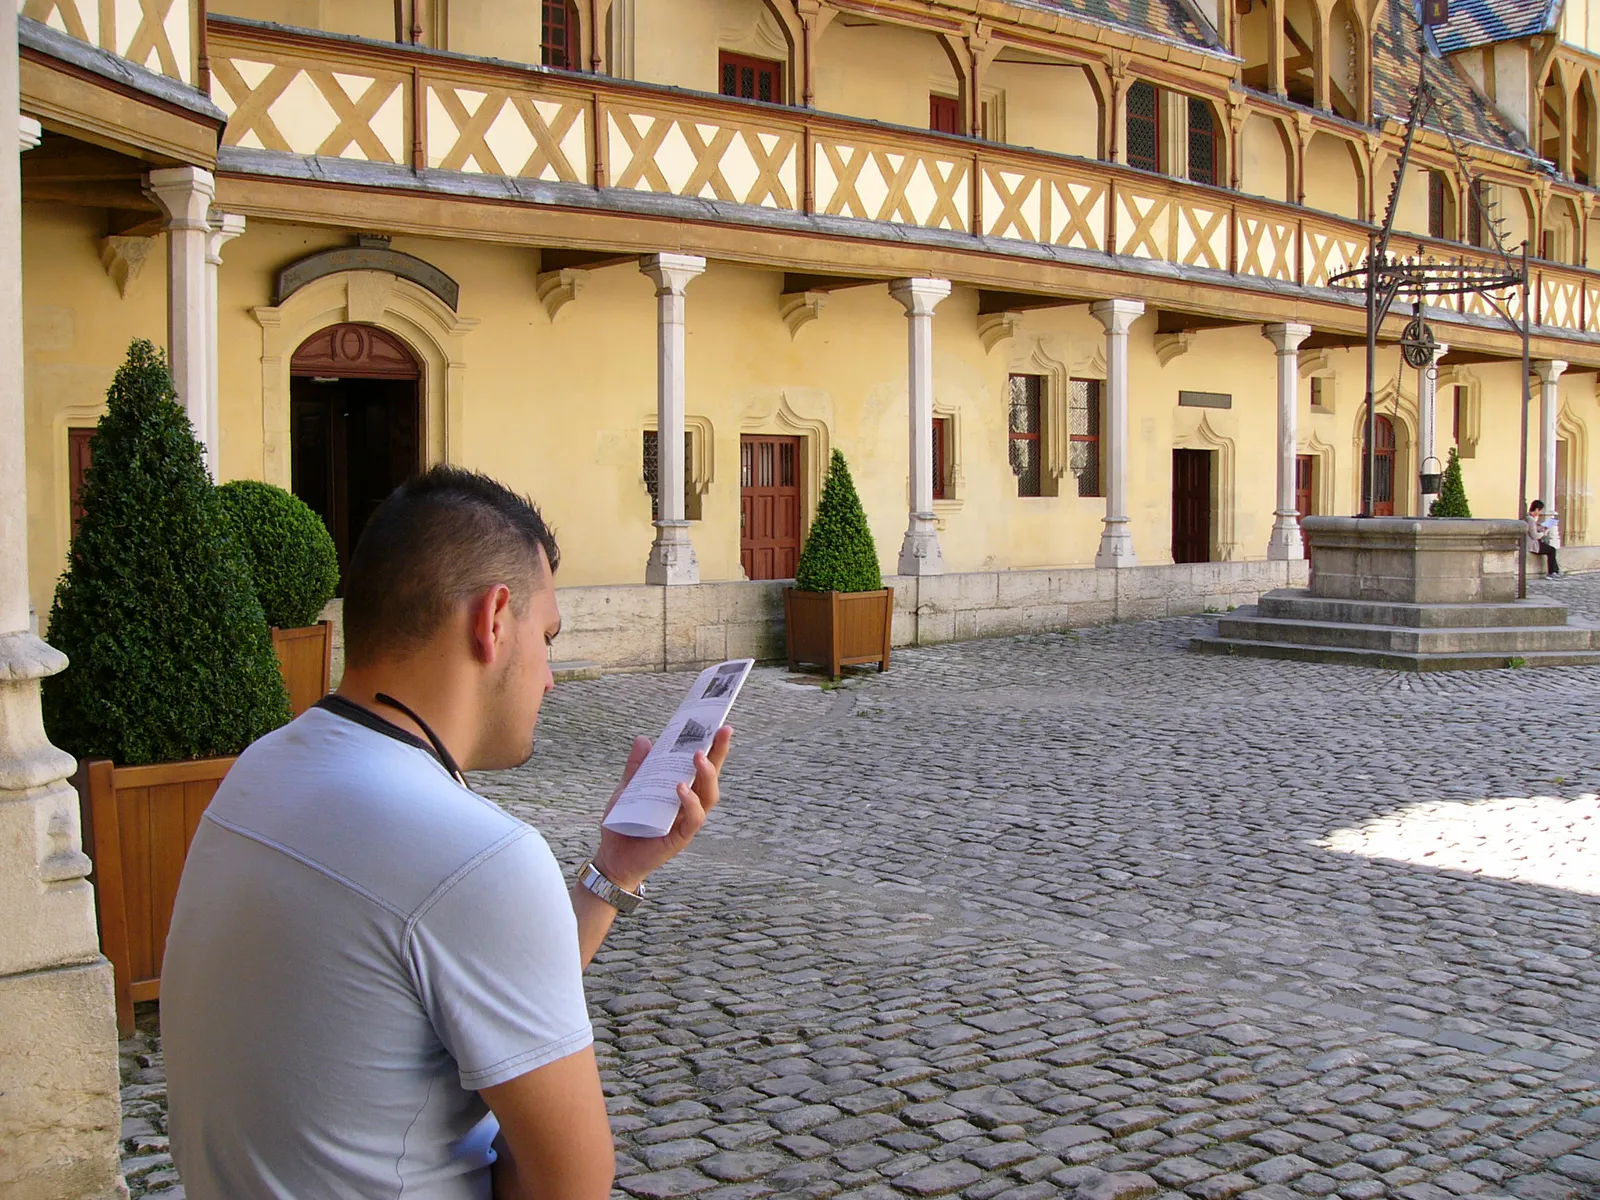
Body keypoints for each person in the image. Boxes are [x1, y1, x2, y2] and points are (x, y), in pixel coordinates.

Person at [162, 466, 732, 1199]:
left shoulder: (263, 768)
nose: (550, 678)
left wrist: (615, 870)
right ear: (494, 620)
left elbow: (477, 975)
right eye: (548, 638)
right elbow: (573, 1182)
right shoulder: (475, 853)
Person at [1527, 499, 1562, 578]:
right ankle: (1552, 572)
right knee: (1552, 550)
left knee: (1550, 548)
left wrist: (1541, 527)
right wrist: (1543, 533)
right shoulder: (1530, 520)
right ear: (1536, 509)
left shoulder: (1528, 518)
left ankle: (1555, 570)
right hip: (1532, 545)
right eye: (1539, 511)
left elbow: (1532, 529)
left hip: (1533, 543)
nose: (1539, 513)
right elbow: (1534, 535)